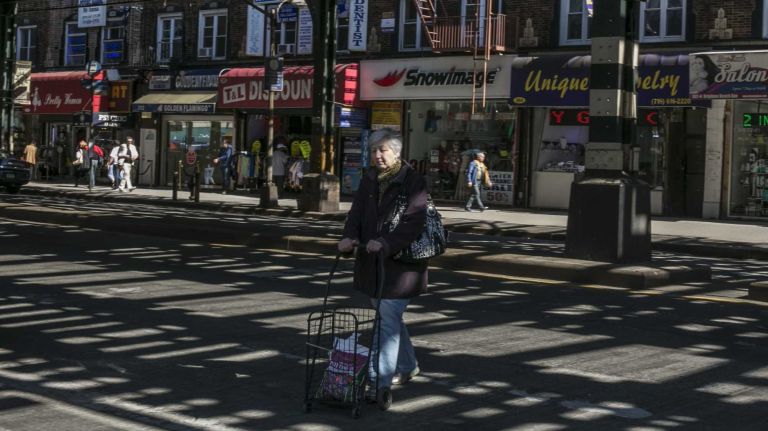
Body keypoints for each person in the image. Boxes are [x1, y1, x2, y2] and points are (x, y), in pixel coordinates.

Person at [337, 128, 428, 403]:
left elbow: (414, 222)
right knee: (390, 318)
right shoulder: (370, 180)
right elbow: (356, 214)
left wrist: (386, 243)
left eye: (383, 150)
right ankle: (408, 366)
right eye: (374, 150)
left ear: (397, 153)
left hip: (402, 266)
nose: (377, 155)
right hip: (372, 263)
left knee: (386, 320)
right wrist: (348, 237)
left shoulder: (413, 181)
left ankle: (378, 381)